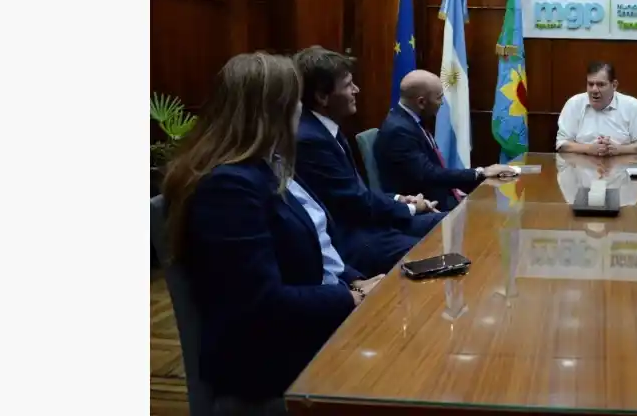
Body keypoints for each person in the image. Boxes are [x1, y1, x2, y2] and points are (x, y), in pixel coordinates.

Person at [161, 52, 383, 410]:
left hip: (311, 327)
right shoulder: (228, 186)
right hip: (272, 363)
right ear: (271, 111)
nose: (301, 110)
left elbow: (320, 248)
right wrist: (351, 298)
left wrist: (358, 282)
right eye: (295, 101)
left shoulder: (268, 165)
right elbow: (260, 304)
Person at [290, 47, 441, 276]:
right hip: (353, 238)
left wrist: (400, 198)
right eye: (349, 85)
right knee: (434, 253)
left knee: (449, 224)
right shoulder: (310, 140)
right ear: (322, 97)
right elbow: (353, 202)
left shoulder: (326, 127)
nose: (356, 90)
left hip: (370, 223)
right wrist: (410, 207)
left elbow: (355, 191)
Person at [375, 70, 517, 212]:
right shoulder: (399, 131)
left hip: (442, 195)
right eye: (439, 98)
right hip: (427, 206)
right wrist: (480, 173)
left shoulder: (412, 120)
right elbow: (429, 174)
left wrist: (481, 174)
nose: (442, 103)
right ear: (421, 102)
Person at [555, 61, 637, 156]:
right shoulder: (574, 104)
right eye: (590, 84)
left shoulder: (632, 106)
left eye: (600, 85)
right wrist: (588, 149)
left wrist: (619, 149)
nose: (594, 90)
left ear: (614, 85)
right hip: (580, 167)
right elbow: (562, 145)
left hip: (621, 168)